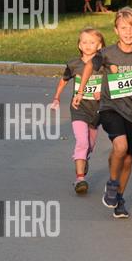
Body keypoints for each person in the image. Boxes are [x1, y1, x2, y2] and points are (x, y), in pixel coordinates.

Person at [73, 7, 132, 219]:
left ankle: (119, 198)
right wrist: (81, 91)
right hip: (111, 108)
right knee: (121, 146)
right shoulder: (107, 53)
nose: (128, 32)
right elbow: (89, 67)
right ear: (116, 30)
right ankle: (112, 183)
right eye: (123, 28)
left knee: (127, 159)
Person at [51, 28, 105, 195]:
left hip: (97, 110)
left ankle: (84, 158)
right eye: (84, 42)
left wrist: (102, 92)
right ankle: (80, 179)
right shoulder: (74, 64)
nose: (88, 45)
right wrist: (56, 98)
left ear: (99, 45)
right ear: (79, 45)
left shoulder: (103, 64)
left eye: (92, 42)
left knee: (90, 145)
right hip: (78, 109)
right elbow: (64, 80)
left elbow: (112, 82)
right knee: (82, 142)